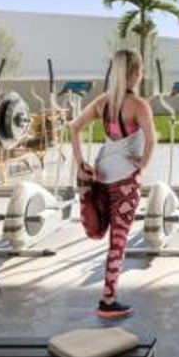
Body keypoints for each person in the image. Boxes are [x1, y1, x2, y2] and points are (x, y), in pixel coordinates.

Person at [71, 49, 156, 318]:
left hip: (102, 173)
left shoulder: (103, 103)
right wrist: (142, 164)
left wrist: (80, 162)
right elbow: (152, 140)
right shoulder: (139, 106)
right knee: (117, 242)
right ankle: (107, 301)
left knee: (101, 232)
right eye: (141, 69)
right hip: (126, 182)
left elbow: (74, 127)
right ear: (136, 72)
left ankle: (85, 191)